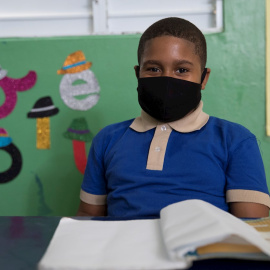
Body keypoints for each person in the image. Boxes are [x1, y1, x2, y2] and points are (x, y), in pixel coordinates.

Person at [77, 17, 270, 218]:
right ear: (138, 74)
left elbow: (253, 228)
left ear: (204, 78)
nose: (167, 79)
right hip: (125, 248)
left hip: (203, 249)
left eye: (182, 70)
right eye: (153, 69)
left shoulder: (235, 140)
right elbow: (88, 220)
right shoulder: (107, 139)